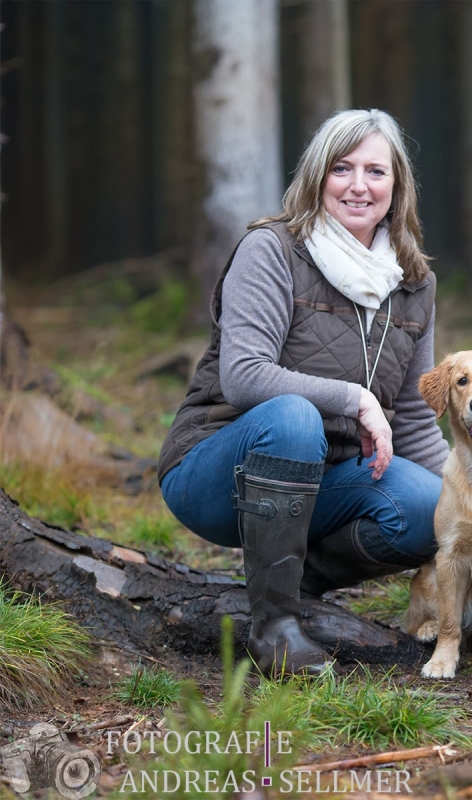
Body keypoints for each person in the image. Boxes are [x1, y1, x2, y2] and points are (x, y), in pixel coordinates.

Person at [158, 109, 448, 677]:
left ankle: (288, 579)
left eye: (375, 171)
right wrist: (355, 398)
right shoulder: (273, 250)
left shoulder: (413, 282)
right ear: (317, 177)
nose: (359, 185)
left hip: (328, 481)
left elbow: (412, 414)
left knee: (435, 509)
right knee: (293, 417)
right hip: (218, 466)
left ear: (398, 186)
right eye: (342, 169)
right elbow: (244, 374)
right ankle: (275, 632)